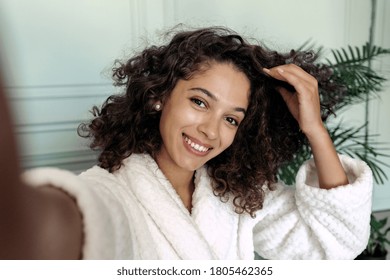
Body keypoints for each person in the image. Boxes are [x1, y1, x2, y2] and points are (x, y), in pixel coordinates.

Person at [0, 26, 373, 260]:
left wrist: (314, 130)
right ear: (158, 96)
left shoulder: (235, 196)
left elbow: (334, 243)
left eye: (231, 119)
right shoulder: (109, 193)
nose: (211, 131)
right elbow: (59, 231)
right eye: (199, 102)